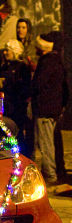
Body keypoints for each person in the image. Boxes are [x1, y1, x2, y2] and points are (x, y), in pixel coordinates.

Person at [31, 32, 69, 191]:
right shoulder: (58, 62)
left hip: (45, 109)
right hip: (53, 109)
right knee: (49, 142)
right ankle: (52, 173)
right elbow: (65, 88)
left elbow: (39, 85)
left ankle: (50, 175)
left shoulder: (47, 63)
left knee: (46, 144)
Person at [0, 40, 32, 156]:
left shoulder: (22, 67)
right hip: (6, 106)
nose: (5, 53)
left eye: (7, 50)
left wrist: (6, 81)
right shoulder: (5, 66)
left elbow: (23, 87)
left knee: (17, 134)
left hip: (16, 107)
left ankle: (22, 155)